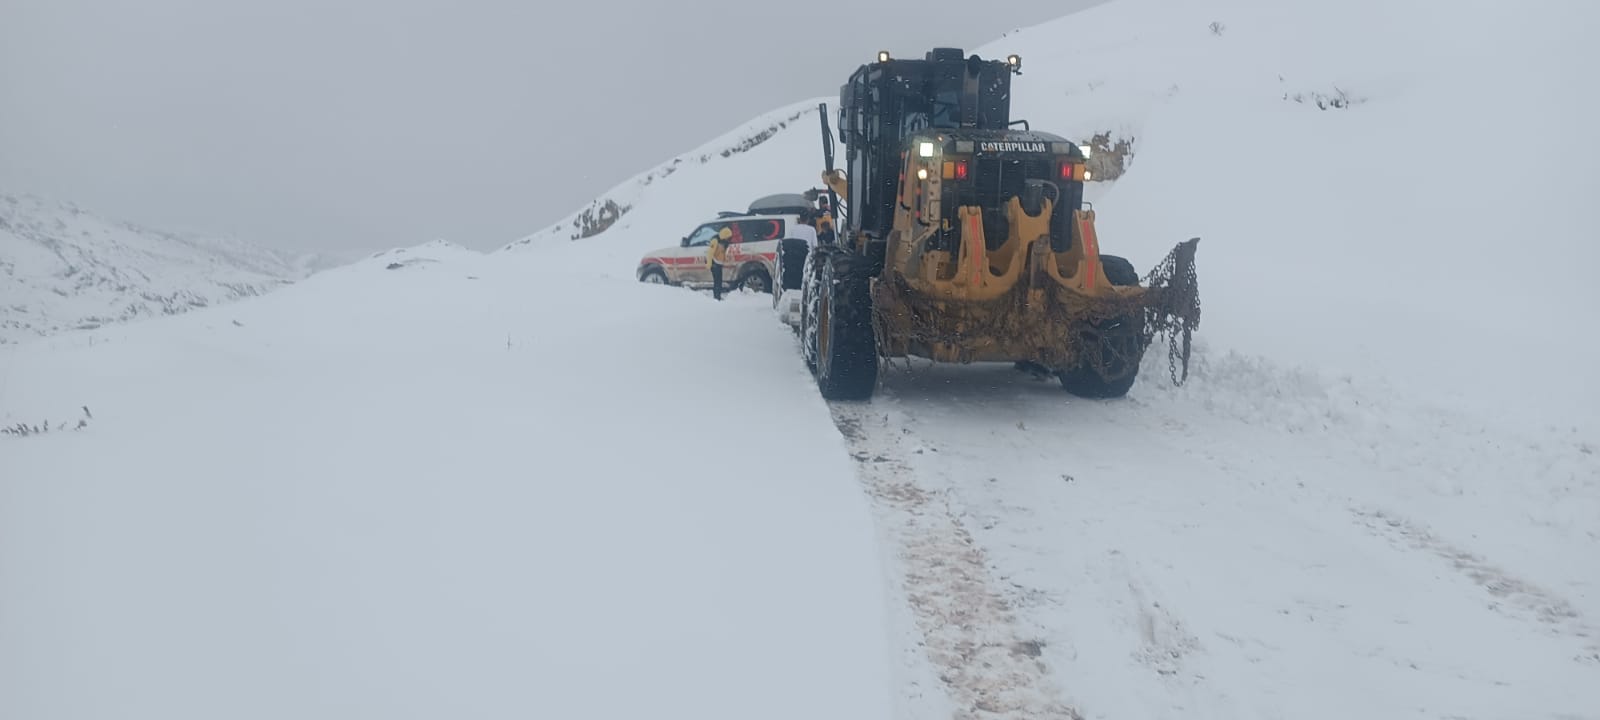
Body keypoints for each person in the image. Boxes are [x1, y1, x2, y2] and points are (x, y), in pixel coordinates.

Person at [707, 226, 732, 300]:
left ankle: (718, 296)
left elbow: (723, 253)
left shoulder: (724, 241)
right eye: (728, 237)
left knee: (719, 281)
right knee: (717, 281)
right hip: (714, 263)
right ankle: (716, 297)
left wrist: (725, 259)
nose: (729, 239)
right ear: (725, 235)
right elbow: (710, 253)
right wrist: (709, 264)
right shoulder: (715, 240)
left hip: (719, 263)